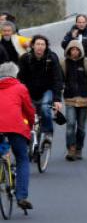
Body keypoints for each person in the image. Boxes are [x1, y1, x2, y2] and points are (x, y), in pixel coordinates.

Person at [0, 62, 35, 211]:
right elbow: (29, 110)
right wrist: (31, 124)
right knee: (22, 158)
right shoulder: (20, 88)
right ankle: (21, 196)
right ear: (15, 74)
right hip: (15, 128)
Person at [17, 35, 63, 143]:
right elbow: (20, 79)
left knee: (45, 109)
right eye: (38, 44)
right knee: (28, 113)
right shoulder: (25, 58)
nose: (40, 47)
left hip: (47, 89)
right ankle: (28, 135)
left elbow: (58, 79)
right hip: (29, 91)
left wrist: (57, 99)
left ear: (46, 46)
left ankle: (47, 133)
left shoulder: (51, 58)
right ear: (33, 45)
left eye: (43, 44)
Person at [60, 39, 87, 161]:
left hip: (84, 98)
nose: (74, 52)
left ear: (80, 50)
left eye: (77, 50)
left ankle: (79, 148)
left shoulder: (85, 62)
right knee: (70, 124)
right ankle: (71, 148)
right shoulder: (64, 63)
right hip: (70, 98)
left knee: (81, 127)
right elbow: (60, 80)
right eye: (72, 50)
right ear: (69, 51)